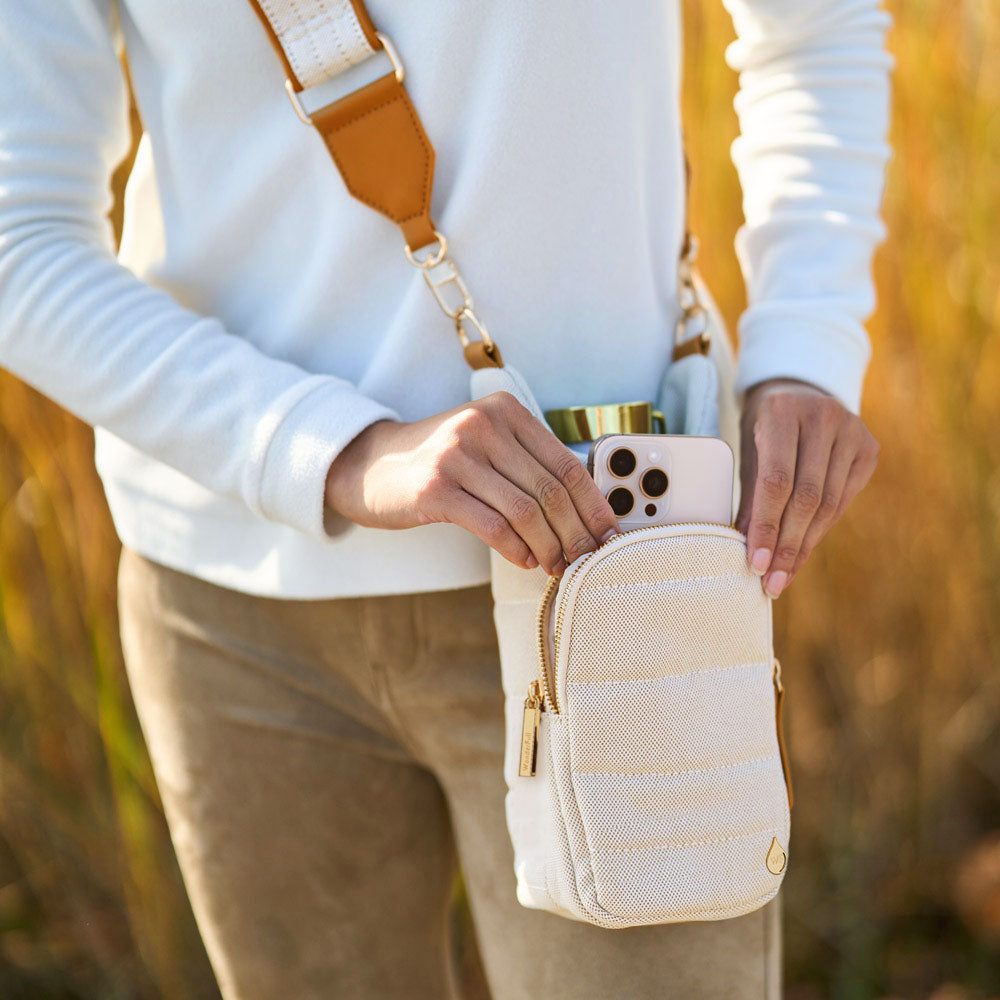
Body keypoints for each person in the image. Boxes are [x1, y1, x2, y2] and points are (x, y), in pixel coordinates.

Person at [0, 1, 890, 997]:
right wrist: (336, 449)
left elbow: (819, 27)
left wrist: (806, 346)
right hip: (236, 622)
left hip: (609, 587)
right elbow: (15, 237)